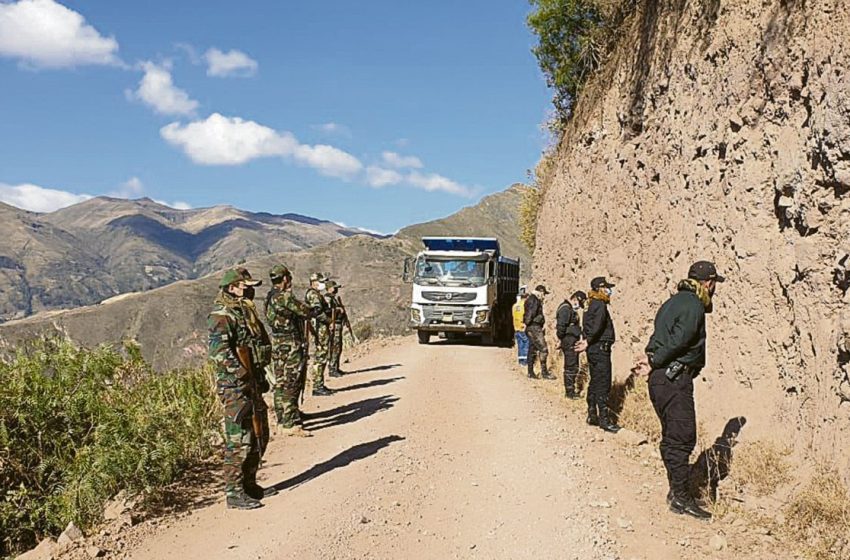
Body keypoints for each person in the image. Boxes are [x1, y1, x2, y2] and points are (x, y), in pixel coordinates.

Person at [633, 261, 725, 520]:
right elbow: (679, 339)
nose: (715, 289)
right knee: (682, 438)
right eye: (715, 283)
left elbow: (659, 337)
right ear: (708, 282)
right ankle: (681, 499)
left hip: (662, 380)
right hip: (673, 380)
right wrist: (653, 360)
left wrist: (650, 358)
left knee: (674, 438)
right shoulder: (693, 304)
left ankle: (676, 492)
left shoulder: (672, 303)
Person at [208, 268, 277, 510]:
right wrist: (241, 375)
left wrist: (257, 376)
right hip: (235, 387)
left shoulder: (244, 311)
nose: (250, 289)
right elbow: (219, 353)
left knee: (260, 433)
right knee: (238, 439)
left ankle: (249, 483)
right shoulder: (222, 315)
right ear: (232, 287)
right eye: (245, 285)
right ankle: (234, 492)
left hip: (252, 382)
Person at [264, 263, 315, 437]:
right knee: (291, 382)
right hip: (291, 344)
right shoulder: (284, 297)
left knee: (280, 382)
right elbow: (305, 311)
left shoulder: (270, 296)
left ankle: (283, 417)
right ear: (285, 279)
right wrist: (313, 308)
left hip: (278, 344)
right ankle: (290, 422)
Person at [575, 277, 620, 433]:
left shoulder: (589, 305)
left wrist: (587, 341)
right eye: (606, 287)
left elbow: (587, 326)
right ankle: (604, 420)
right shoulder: (600, 304)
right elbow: (597, 325)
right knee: (603, 382)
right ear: (600, 288)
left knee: (595, 381)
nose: (609, 290)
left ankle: (592, 414)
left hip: (594, 349)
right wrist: (588, 341)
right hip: (600, 348)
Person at [305, 272, 333, 396]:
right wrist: (328, 321)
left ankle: (319, 383)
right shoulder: (313, 295)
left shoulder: (316, 294)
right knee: (320, 355)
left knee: (322, 354)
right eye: (320, 281)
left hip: (320, 327)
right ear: (314, 282)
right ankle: (317, 385)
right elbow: (317, 312)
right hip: (319, 327)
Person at [556, 290, 586, 399]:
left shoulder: (568, 308)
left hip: (570, 339)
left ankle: (571, 390)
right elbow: (561, 327)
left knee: (574, 366)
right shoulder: (565, 309)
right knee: (570, 366)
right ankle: (569, 392)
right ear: (575, 299)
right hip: (568, 340)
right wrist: (561, 338)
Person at [524, 284, 553, 379]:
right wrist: (529, 324)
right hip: (534, 327)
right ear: (540, 292)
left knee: (532, 349)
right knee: (543, 349)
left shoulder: (532, 299)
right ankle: (544, 373)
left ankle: (530, 372)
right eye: (544, 293)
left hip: (532, 327)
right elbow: (530, 314)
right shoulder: (534, 300)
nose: (544, 296)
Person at [324, 279, 348, 377]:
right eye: (334, 288)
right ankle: (332, 368)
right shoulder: (327, 299)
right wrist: (338, 310)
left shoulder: (333, 298)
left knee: (338, 346)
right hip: (333, 325)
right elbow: (328, 311)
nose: (336, 290)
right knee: (334, 346)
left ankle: (336, 367)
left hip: (338, 324)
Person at [512, 287, 529, 366]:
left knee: (520, 345)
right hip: (523, 327)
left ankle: (520, 361)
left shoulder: (515, 306)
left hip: (516, 327)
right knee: (526, 344)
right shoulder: (524, 306)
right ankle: (525, 362)